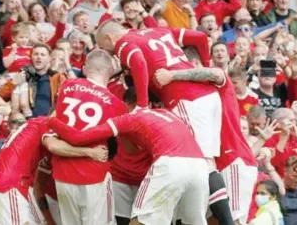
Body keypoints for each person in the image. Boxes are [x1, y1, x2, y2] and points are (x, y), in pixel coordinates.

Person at [95, 21, 234, 224]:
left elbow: (138, 61)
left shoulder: (124, 42)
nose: (108, 52)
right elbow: (200, 38)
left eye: (103, 46)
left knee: (201, 164)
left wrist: (142, 104)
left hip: (185, 97)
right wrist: (203, 63)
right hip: (207, 93)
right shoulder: (158, 30)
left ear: (109, 38)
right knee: (203, 163)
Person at [48, 88, 210, 225]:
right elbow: (134, 149)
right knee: (193, 222)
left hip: (170, 164)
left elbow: (79, 137)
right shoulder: (167, 114)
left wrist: (53, 122)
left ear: (127, 104)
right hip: (200, 166)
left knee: (141, 219)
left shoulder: (130, 118)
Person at [155, 56, 258, 225]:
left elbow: (216, 73)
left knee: (233, 221)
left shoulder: (219, 86)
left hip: (233, 160)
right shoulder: (186, 99)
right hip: (213, 166)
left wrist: (172, 75)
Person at [42, 49, 128, 225]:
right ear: (111, 71)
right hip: (93, 174)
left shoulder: (67, 85)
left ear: (85, 68)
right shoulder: (117, 105)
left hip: (62, 174)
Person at [0, 116, 107, 225]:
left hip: (7, 186)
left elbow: (37, 187)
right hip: (9, 187)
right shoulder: (46, 123)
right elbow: (53, 146)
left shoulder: (32, 125)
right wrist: (89, 152)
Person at [2, 23, 33, 118]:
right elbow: (6, 64)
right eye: (21, 37)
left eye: (26, 37)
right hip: (13, 78)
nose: (24, 40)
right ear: (13, 38)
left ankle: (30, 122)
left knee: (24, 104)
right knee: (15, 106)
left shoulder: (31, 49)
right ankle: (14, 125)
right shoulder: (8, 49)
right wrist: (13, 51)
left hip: (25, 77)